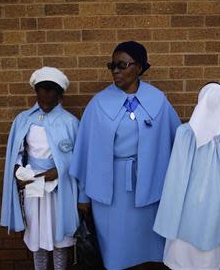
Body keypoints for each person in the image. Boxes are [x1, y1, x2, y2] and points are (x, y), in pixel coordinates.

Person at [69, 41, 181, 270]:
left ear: (139, 68)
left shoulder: (158, 100)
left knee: (151, 249)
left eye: (122, 65)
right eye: (112, 66)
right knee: (115, 253)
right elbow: (85, 153)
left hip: (149, 186)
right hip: (111, 192)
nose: (116, 71)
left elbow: (178, 143)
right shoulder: (98, 104)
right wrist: (83, 196)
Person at [153, 82, 220, 270]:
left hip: (188, 206)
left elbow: (175, 177)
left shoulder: (185, 133)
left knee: (186, 257)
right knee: (219, 258)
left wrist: (168, 215)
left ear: (199, 100)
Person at [0, 67, 79, 270]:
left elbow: (78, 159)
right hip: (33, 187)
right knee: (36, 236)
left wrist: (58, 171)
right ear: (36, 91)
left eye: (52, 90)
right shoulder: (24, 120)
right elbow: (17, 152)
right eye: (41, 89)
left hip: (58, 190)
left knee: (58, 236)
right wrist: (18, 170)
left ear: (60, 94)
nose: (45, 95)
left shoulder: (70, 122)